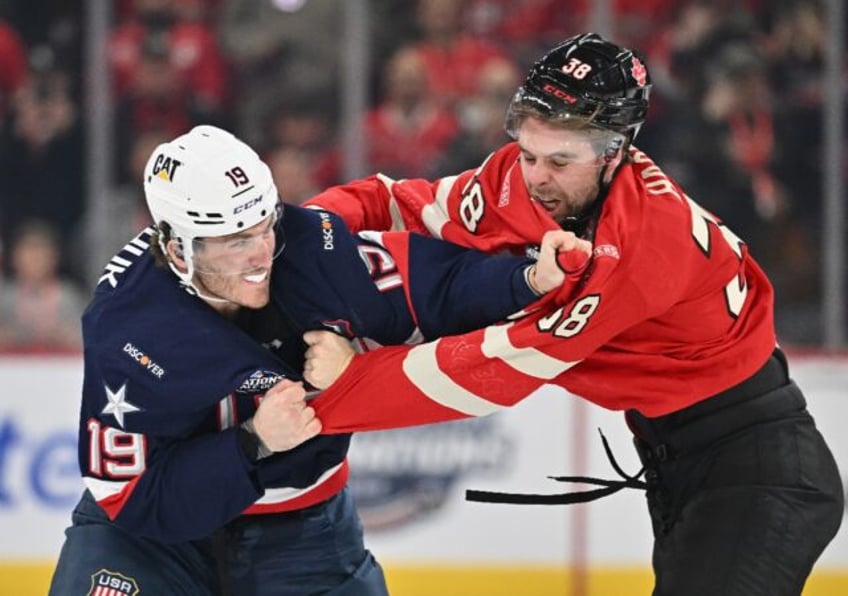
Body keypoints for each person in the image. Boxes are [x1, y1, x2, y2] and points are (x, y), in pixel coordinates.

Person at [301, 33, 844, 596]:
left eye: (560, 161)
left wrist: (335, 391)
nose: (536, 177)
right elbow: (407, 205)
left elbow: (495, 370)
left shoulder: (639, 247)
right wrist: (294, 230)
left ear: (616, 153)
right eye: (530, 153)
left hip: (757, 467)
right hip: (679, 455)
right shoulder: (524, 177)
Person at [48, 124, 587, 596]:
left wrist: (527, 279)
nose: (262, 253)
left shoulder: (309, 248)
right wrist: (253, 441)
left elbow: (433, 284)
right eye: (237, 241)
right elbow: (133, 495)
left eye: (264, 226)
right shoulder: (126, 326)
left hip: (303, 533)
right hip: (153, 542)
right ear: (178, 249)